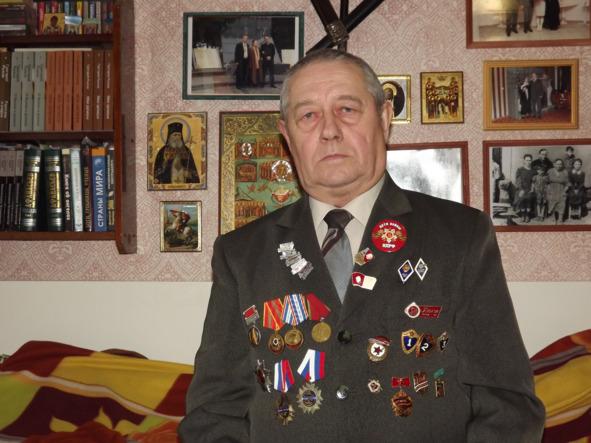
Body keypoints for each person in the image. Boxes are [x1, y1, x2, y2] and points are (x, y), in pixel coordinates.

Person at [178, 49, 545, 442]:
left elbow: (506, 405)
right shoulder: (240, 254)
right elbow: (215, 412)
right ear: (287, 135)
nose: (329, 130)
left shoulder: (460, 235)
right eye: (308, 115)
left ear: (384, 119)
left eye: (347, 109)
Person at [514, 154, 536, 222]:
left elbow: (534, 181)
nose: (528, 162)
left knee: (529, 200)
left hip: (530, 189)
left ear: (531, 161)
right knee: (522, 200)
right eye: (527, 160)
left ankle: (527, 216)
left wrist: (532, 188)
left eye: (530, 160)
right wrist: (521, 189)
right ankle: (523, 215)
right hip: (522, 189)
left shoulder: (533, 171)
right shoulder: (520, 170)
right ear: (524, 161)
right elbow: (518, 180)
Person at [546, 158, 569, 223]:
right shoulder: (550, 171)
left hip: (561, 190)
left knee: (562, 202)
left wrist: (564, 191)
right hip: (552, 190)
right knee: (551, 201)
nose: (559, 165)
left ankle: (560, 218)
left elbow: (567, 184)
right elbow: (546, 182)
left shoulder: (565, 172)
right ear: (554, 164)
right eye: (557, 164)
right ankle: (553, 217)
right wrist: (549, 189)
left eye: (560, 164)